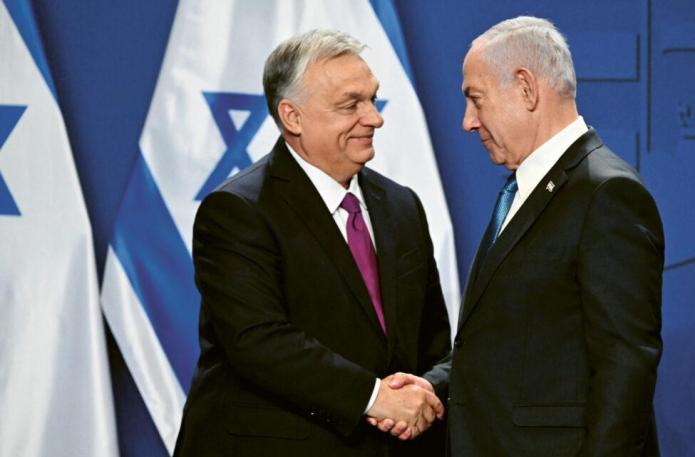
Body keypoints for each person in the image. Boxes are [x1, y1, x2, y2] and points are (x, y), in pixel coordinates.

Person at [383, 16, 664, 456]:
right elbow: (510, 342)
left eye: (476, 99)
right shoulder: (525, 189)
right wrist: (434, 384)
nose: (467, 122)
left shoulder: (606, 194)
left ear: (526, 88)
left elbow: (625, 366)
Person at [172, 29, 451, 457]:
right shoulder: (237, 211)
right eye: (350, 105)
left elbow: (433, 341)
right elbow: (259, 342)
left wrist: (426, 391)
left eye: (372, 99)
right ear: (293, 117)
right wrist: (375, 398)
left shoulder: (402, 206)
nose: (374, 118)